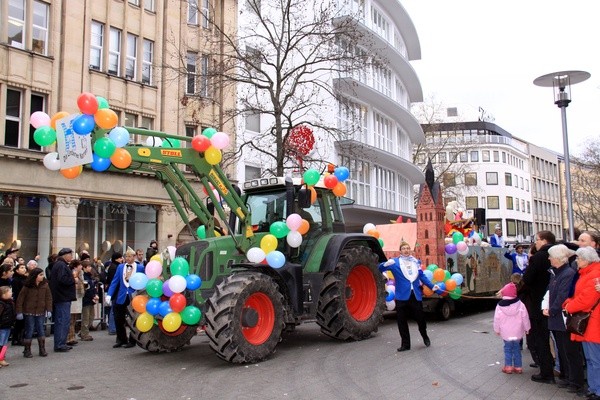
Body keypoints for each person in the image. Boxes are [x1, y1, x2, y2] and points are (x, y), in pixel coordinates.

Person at [378, 242, 439, 352]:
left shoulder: (416, 262)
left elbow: (422, 276)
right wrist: (385, 264)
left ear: (410, 250)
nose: (406, 250)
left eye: (407, 248)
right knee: (402, 321)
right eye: (403, 248)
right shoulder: (395, 263)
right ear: (400, 251)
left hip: (415, 295)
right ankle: (405, 344)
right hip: (402, 296)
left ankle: (424, 336)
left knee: (421, 319)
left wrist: (432, 286)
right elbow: (380, 268)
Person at [545, 244, 585, 394]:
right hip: (556, 318)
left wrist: (553, 310)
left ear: (558, 258)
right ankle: (568, 377)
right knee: (562, 349)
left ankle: (575, 380)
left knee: (570, 351)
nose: (548, 258)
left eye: (550, 256)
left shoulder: (567, 273)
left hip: (562, 317)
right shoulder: (556, 273)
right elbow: (551, 293)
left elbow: (562, 295)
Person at [563, 246, 600, 400]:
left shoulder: (594, 275)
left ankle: (597, 390)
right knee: (591, 359)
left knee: (594, 360)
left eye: (578, 258)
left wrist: (569, 306)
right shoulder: (588, 273)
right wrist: (569, 302)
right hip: (589, 322)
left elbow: (586, 298)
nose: (576, 260)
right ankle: (593, 388)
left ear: (586, 260)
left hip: (593, 322)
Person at [522, 230, 556, 383]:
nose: (535, 242)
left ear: (543, 240)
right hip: (553, 302)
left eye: (537, 239)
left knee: (541, 339)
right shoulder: (557, 253)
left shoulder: (539, 257)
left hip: (539, 302)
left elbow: (528, 279)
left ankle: (546, 372)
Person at [106, 249, 144, 348]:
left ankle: (132, 340)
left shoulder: (140, 268)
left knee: (134, 319)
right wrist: (109, 294)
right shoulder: (120, 267)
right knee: (118, 318)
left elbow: (144, 281)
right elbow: (115, 282)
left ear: (134, 257)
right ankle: (121, 339)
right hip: (121, 296)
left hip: (134, 296)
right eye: (126, 256)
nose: (127, 258)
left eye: (130, 256)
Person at [493, 282, 530, 374]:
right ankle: (518, 367)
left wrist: (497, 329)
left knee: (508, 349)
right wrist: (527, 328)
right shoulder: (520, 304)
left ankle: (508, 367)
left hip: (506, 333)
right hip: (517, 332)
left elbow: (497, 319)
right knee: (517, 349)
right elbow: (525, 317)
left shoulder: (500, 306)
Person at [15, 268, 52, 358]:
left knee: (40, 329)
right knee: (29, 330)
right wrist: (19, 311)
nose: (42, 277)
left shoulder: (45, 285)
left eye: (42, 275)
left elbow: (48, 298)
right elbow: (20, 299)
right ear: (35, 276)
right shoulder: (27, 286)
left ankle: (42, 349)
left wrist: (49, 309)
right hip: (29, 311)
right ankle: (27, 350)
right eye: (40, 275)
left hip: (41, 310)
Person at [49, 248, 76, 352]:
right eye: (70, 255)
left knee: (63, 320)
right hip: (62, 297)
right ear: (65, 255)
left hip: (61, 297)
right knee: (63, 321)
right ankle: (60, 344)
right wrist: (72, 279)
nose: (71, 257)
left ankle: (61, 342)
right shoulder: (61, 265)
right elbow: (62, 279)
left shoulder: (60, 264)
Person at [104, 252, 123, 335]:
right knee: (114, 310)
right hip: (116, 291)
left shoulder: (113, 266)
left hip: (115, 291)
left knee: (114, 310)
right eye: (120, 258)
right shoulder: (115, 268)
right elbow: (113, 281)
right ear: (116, 259)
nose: (122, 259)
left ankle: (113, 327)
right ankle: (112, 328)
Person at [67, 259, 85, 346]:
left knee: (74, 318)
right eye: (80, 265)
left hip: (78, 296)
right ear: (75, 266)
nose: (81, 267)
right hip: (73, 296)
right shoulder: (72, 273)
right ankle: (69, 337)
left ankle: (72, 336)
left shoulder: (81, 273)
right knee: (70, 318)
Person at [80, 261, 98, 341]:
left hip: (91, 299)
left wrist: (95, 294)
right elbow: (86, 289)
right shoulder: (84, 277)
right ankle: (84, 333)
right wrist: (92, 296)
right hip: (86, 299)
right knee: (86, 318)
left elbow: (92, 287)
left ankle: (83, 332)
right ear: (84, 268)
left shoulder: (89, 276)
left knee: (91, 316)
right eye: (88, 267)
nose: (90, 268)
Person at [10, 263, 27, 345]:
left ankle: (20, 337)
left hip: (25, 302)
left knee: (23, 321)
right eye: (22, 268)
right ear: (17, 270)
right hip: (19, 301)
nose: (24, 269)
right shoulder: (16, 280)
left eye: (24, 267)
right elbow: (17, 292)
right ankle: (16, 338)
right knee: (19, 321)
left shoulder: (25, 279)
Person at [0, 286, 16, 367]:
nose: (11, 293)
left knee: (5, 343)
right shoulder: (1, 304)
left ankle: (2, 358)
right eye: (9, 292)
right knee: (1, 343)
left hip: (8, 325)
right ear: (3, 294)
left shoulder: (11, 302)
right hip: (2, 326)